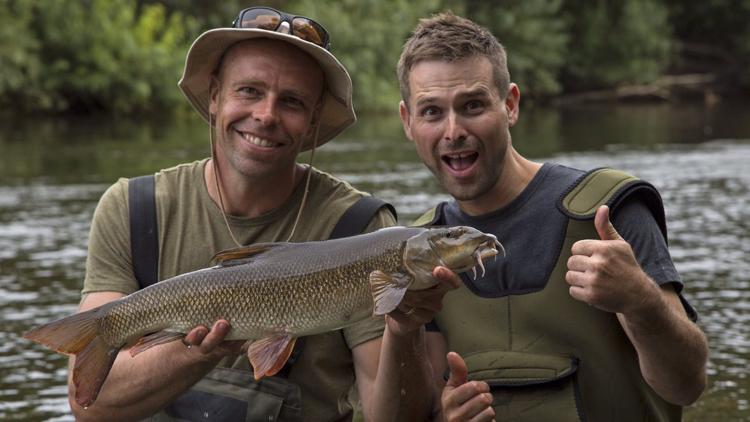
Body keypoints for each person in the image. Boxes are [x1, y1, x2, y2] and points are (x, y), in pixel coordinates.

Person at [69, 6, 435, 422]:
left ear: (314, 120)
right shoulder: (132, 209)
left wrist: (405, 329)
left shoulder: (363, 228)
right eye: (249, 91)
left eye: (292, 101)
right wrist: (199, 352)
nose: (266, 115)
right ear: (213, 97)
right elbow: (89, 407)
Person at [395, 12, 709, 422]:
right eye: (432, 112)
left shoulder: (607, 212)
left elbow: (687, 384)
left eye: (472, 105)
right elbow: (420, 408)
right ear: (408, 122)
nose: (453, 130)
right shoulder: (417, 249)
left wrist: (641, 300)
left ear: (510, 105)